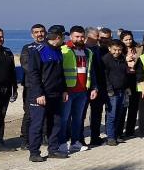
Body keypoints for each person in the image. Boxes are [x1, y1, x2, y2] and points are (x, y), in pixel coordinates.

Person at [24, 25, 68, 161]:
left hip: (56, 94)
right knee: (37, 124)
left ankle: (53, 149)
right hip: (41, 95)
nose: (64, 39)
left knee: (55, 123)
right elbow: (33, 74)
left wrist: (64, 90)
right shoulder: (39, 50)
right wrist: (38, 93)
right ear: (58, 37)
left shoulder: (58, 50)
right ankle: (34, 153)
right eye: (63, 36)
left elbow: (61, 73)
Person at [59, 26, 97, 154]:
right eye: (77, 36)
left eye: (82, 37)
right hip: (68, 91)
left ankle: (75, 142)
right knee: (64, 119)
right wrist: (63, 89)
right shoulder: (63, 50)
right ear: (71, 36)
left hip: (82, 91)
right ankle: (62, 143)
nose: (79, 39)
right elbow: (59, 73)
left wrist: (94, 88)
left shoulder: (88, 52)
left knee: (78, 119)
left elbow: (91, 72)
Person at [18, 23, 47, 150]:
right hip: (32, 86)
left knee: (47, 112)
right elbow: (27, 66)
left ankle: (45, 136)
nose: (39, 34)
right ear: (32, 34)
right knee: (29, 113)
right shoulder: (27, 48)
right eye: (36, 32)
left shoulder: (49, 46)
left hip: (48, 85)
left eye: (41, 31)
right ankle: (25, 139)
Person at [101, 39, 130, 146]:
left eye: (119, 50)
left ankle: (117, 135)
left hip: (122, 90)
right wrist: (109, 89)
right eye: (115, 50)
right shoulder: (106, 60)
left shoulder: (122, 58)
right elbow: (105, 76)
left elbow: (125, 74)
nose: (117, 52)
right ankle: (111, 137)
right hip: (111, 92)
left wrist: (127, 87)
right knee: (111, 115)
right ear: (109, 49)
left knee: (119, 114)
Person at [120, 31, 141, 138]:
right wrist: (125, 59)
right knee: (123, 107)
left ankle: (130, 130)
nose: (129, 41)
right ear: (122, 40)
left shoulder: (138, 49)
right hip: (124, 79)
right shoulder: (119, 50)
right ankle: (119, 131)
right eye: (126, 40)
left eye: (130, 39)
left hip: (135, 79)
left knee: (133, 106)